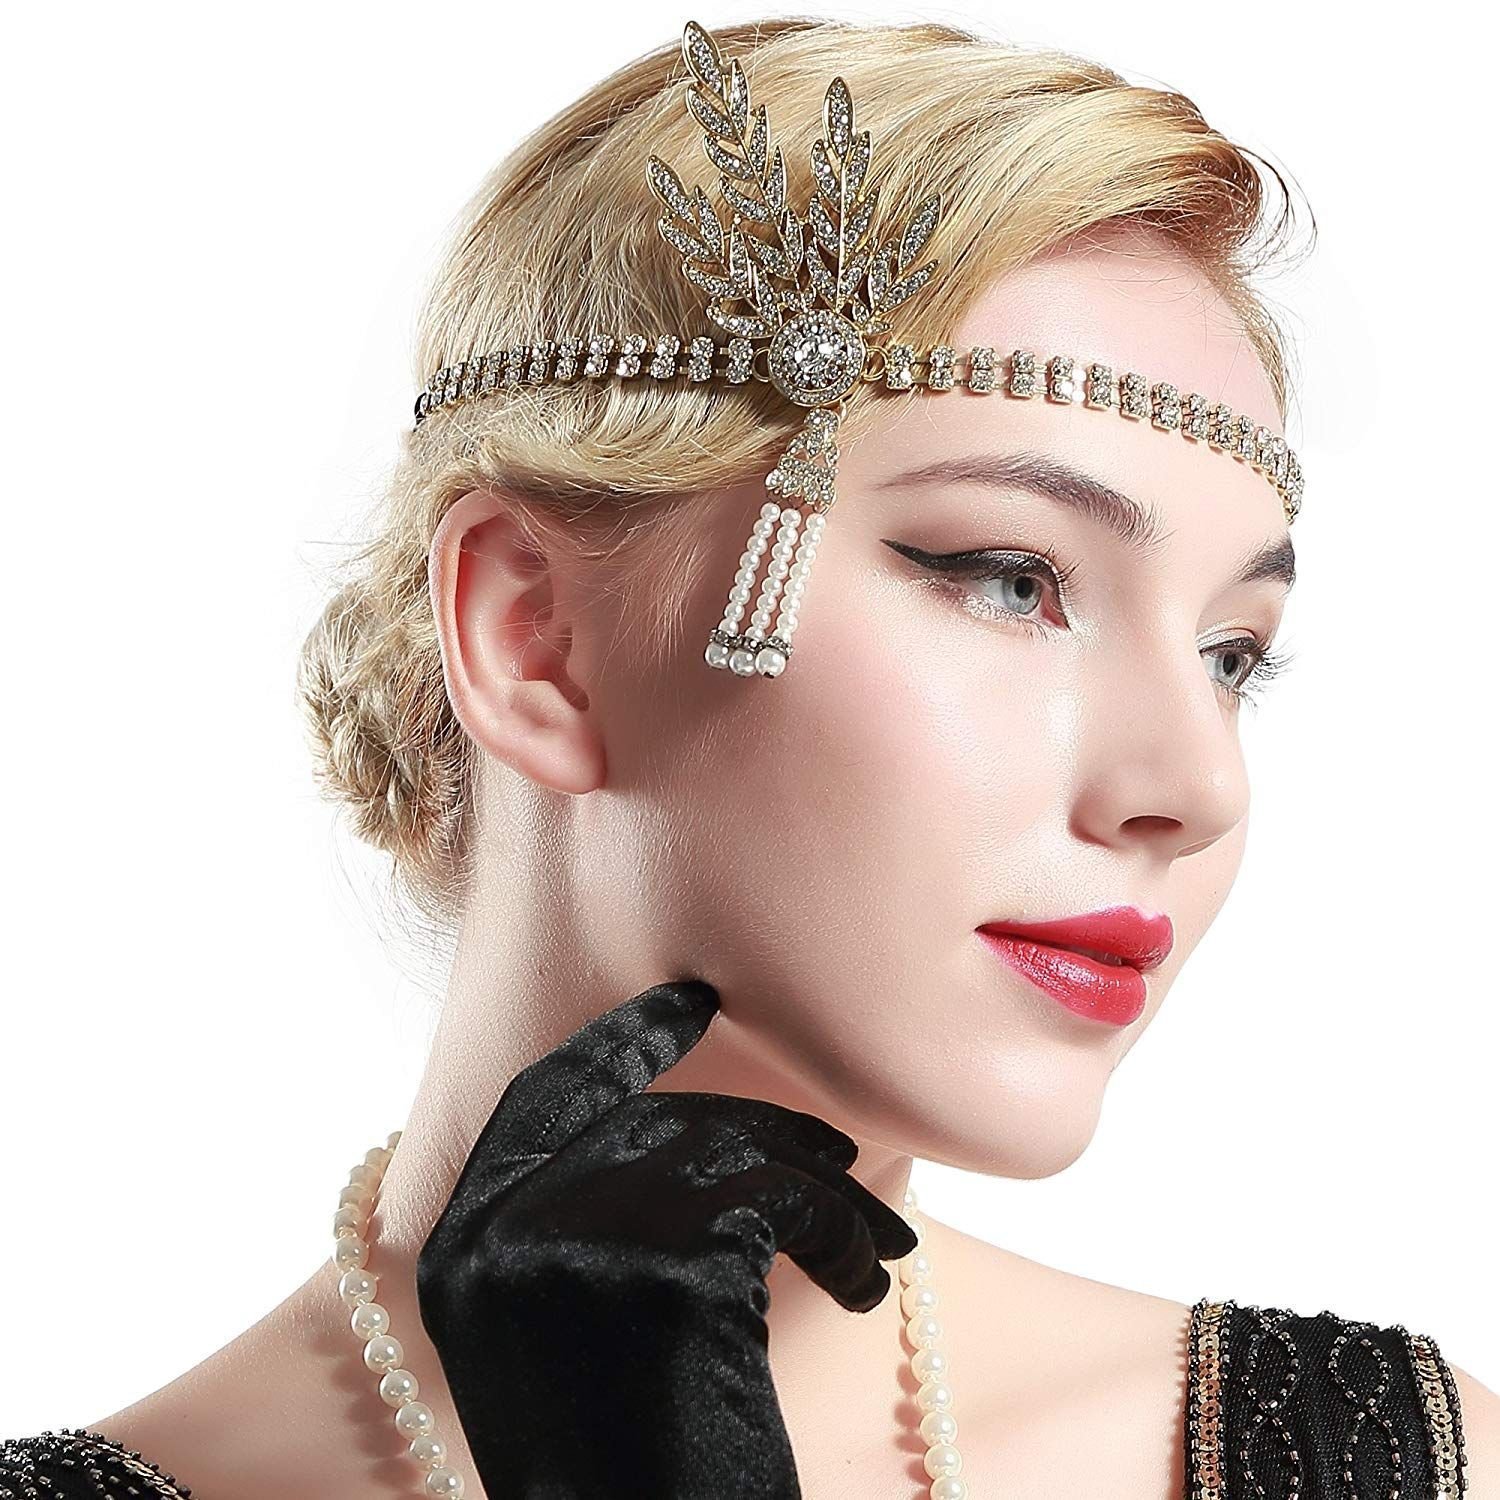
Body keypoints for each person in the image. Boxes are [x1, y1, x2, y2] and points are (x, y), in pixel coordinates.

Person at [3, 14, 1493, 1500]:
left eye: (1232, 656)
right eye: (1009, 579)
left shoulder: (1398, 1461)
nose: (1198, 789)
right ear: (536, 639)